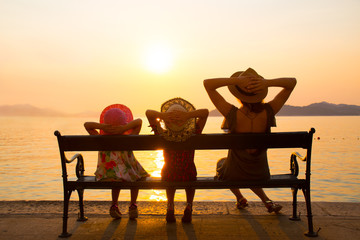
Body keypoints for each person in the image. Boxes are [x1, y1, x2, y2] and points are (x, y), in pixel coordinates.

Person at [203, 67, 296, 213]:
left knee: (222, 164)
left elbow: (207, 84)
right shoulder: (269, 111)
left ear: (238, 94)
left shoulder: (231, 114)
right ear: (260, 93)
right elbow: (292, 82)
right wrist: (266, 82)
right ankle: (266, 200)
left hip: (234, 173)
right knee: (247, 169)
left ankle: (240, 198)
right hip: (260, 173)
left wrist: (236, 81)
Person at [146, 97, 209, 223]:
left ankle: (170, 206)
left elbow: (149, 113)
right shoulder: (193, 133)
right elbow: (205, 112)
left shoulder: (162, 134)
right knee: (190, 173)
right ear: (187, 121)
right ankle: (189, 206)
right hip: (188, 173)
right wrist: (188, 115)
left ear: (167, 122)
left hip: (169, 173)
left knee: (169, 171)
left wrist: (163, 116)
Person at [84, 104, 149, 220]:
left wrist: (103, 126)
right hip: (129, 174)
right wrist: (124, 129)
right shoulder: (129, 138)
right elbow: (139, 122)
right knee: (136, 175)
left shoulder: (101, 139)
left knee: (116, 175)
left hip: (107, 175)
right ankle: (133, 205)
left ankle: (114, 204)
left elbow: (87, 125)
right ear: (124, 124)